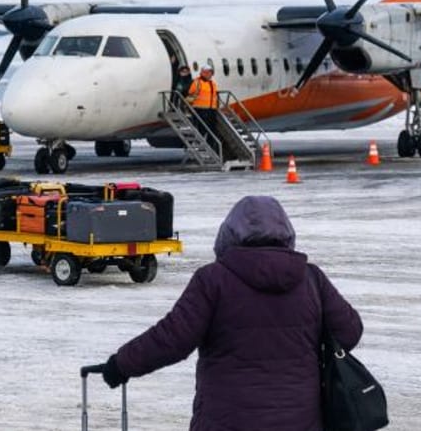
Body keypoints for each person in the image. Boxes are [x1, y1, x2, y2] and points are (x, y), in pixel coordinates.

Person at [98, 195, 363, 431]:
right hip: (301, 419)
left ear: (229, 234)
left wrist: (122, 364)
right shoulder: (311, 279)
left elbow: (172, 339)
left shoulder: (213, 280)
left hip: (227, 419)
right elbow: (350, 331)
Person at [187, 64, 221, 152]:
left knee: (212, 130)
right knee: (202, 130)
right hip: (200, 110)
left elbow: (215, 96)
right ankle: (201, 148)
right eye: (207, 72)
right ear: (203, 73)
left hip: (211, 110)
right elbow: (190, 94)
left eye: (210, 72)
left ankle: (212, 148)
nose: (209, 74)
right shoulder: (197, 82)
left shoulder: (212, 83)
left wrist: (217, 106)